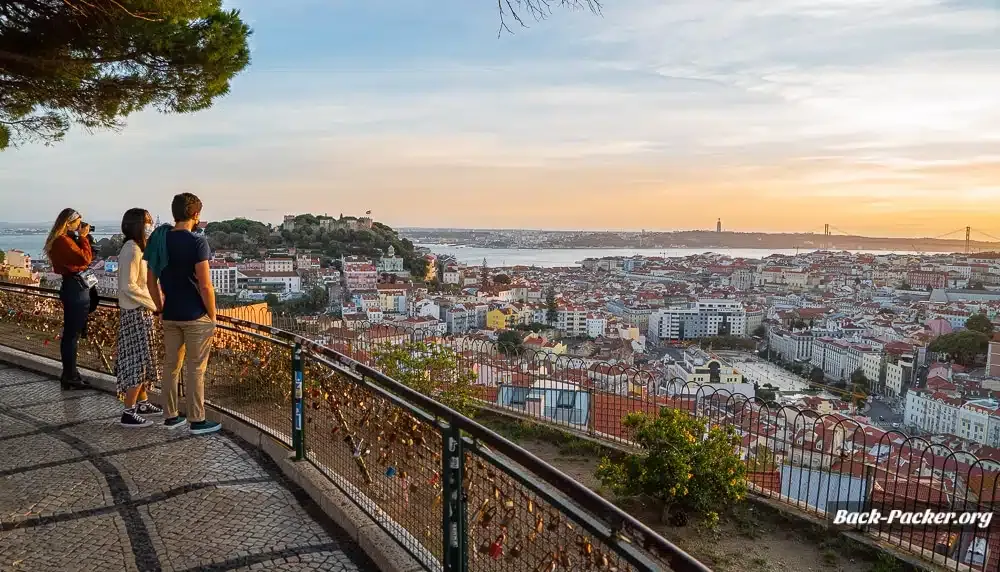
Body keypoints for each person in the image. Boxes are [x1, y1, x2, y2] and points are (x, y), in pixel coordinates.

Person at [145, 193, 221, 435]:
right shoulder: (198, 242)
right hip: (195, 314)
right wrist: (213, 315)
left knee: (171, 366)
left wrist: (159, 307)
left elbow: (150, 280)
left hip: (170, 313)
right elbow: (206, 285)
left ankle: (171, 416)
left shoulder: (160, 240)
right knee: (196, 368)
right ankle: (197, 420)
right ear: (196, 215)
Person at [115, 208, 164, 428]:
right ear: (138, 224)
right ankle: (129, 410)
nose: (151, 224)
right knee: (138, 361)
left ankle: (142, 402)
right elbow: (129, 286)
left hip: (140, 311)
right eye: (148, 221)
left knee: (144, 358)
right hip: (136, 313)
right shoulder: (132, 250)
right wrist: (154, 302)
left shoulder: (136, 248)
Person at [44, 208, 94, 390]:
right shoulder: (63, 241)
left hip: (73, 286)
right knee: (72, 335)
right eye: (77, 222)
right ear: (68, 223)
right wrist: (83, 237)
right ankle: (70, 375)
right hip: (75, 288)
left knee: (71, 334)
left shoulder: (61, 241)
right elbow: (85, 258)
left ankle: (71, 373)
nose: (79, 226)